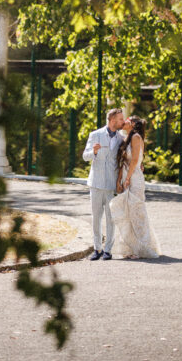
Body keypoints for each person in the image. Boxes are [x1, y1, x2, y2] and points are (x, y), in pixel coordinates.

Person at [109, 115, 161, 259]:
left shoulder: (136, 137)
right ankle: (131, 247)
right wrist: (120, 179)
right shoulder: (127, 138)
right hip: (127, 176)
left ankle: (142, 246)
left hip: (134, 178)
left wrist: (127, 178)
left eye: (126, 120)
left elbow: (135, 161)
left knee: (137, 212)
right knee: (127, 213)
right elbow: (123, 162)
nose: (123, 121)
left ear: (131, 123)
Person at [81, 108, 125, 261]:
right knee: (96, 218)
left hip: (111, 185)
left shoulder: (121, 138)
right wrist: (93, 152)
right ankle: (97, 248)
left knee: (110, 218)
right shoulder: (95, 135)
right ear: (112, 120)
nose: (123, 121)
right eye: (120, 119)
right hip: (96, 183)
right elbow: (85, 157)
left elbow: (124, 160)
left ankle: (108, 250)